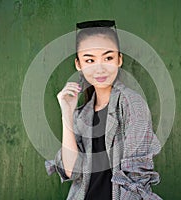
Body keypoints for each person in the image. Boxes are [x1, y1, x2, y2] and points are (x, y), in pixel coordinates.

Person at [45, 20, 162, 200]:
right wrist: (67, 113)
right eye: (89, 60)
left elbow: (137, 178)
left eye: (108, 58)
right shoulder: (82, 114)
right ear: (79, 65)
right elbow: (71, 171)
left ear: (119, 60)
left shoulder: (132, 104)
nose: (99, 68)